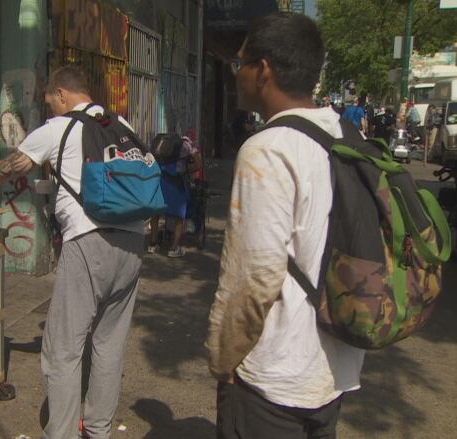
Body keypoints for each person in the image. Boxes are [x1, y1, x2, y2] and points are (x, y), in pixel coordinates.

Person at [207, 12, 365, 439]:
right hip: (334, 366)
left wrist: (222, 360)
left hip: (272, 374)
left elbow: (252, 278)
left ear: (264, 70)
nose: (236, 72)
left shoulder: (267, 149)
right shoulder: (347, 136)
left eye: (241, 62)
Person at [0, 65, 144, 439]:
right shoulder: (120, 124)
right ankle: (98, 430)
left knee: (62, 350)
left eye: (50, 101)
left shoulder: (59, 127)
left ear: (62, 94)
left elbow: (2, 170)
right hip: (132, 245)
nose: (49, 109)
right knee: (109, 345)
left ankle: (60, 434)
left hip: (88, 243)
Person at [148, 134, 191, 257]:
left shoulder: (160, 151)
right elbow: (192, 166)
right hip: (175, 186)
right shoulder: (184, 150)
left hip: (160, 183)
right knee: (179, 216)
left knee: (155, 213)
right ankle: (174, 248)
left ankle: (152, 244)